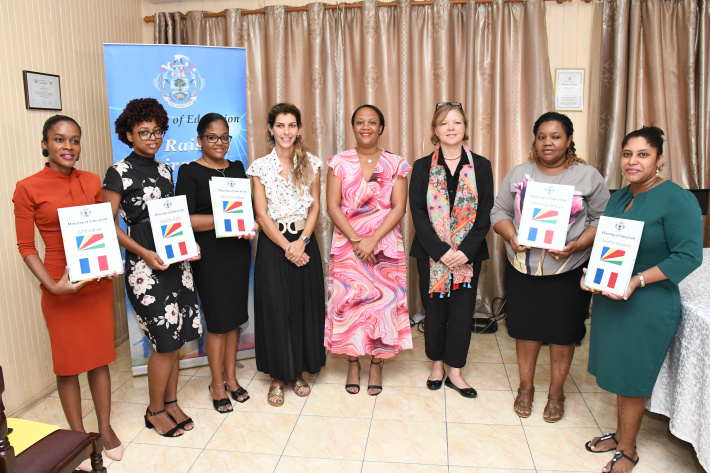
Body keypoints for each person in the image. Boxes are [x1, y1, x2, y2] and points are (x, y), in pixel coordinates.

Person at [583, 127, 702, 473]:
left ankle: (628, 450)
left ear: (660, 159)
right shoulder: (620, 197)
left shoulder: (677, 199)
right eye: (627, 154)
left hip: (648, 301)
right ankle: (621, 435)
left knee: (632, 375)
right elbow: (608, 245)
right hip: (611, 296)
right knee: (617, 370)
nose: (633, 161)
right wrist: (592, 273)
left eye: (643, 154)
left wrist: (637, 280)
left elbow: (689, 256)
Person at [13, 115, 123, 470]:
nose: (68, 147)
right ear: (45, 144)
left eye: (74, 140)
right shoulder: (27, 187)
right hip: (59, 283)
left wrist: (111, 261)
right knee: (68, 364)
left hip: (95, 283)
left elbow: (103, 227)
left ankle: (104, 428)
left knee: (98, 358)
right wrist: (52, 285)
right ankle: (79, 437)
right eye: (59, 140)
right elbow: (26, 245)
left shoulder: (92, 181)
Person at [490, 111, 609, 422]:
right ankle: (526, 388)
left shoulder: (587, 176)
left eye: (555, 136)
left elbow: (602, 220)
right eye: (542, 136)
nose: (548, 143)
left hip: (567, 271)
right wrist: (512, 236)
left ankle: (556, 392)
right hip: (523, 268)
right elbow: (498, 212)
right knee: (524, 331)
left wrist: (578, 245)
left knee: (562, 333)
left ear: (568, 140)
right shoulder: (519, 174)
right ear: (535, 140)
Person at [103, 98, 202, 437]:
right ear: (128, 134)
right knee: (164, 341)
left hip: (176, 262)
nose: (152, 138)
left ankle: (171, 402)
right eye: (143, 132)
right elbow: (108, 224)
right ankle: (154, 410)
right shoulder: (118, 172)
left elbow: (171, 217)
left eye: (157, 131)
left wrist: (189, 243)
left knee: (178, 336)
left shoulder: (165, 170)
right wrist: (143, 252)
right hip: (144, 268)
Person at [325, 104, 412, 396]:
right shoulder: (339, 162)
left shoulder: (396, 163)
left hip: (384, 245)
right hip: (348, 247)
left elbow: (399, 207)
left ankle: (377, 363)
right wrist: (356, 240)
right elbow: (332, 206)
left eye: (372, 122)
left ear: (381, 128)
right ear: (353, 127)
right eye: (360, 122)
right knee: (351, 303)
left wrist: (372, 240)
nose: (366, 127)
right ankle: (353, 361)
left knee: (382, 304)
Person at [409, 102, 493, 398]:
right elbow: (418, 212)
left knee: (461, 313)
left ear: (465, 128)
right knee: (434, 313)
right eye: (444, 123)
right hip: (431, 255)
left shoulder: (481, 166)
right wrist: (441, 251)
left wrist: (464, 251)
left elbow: (485, 212)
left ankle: (455, 371)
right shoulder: (422, 166)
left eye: (457, 122)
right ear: (435, 130)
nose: (451, 128)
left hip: (468, 256)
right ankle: (436, 365)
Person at [246, 103, 325, 407]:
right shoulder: (259, 167)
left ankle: (297, 373)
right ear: (270, 129)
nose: (286, 132)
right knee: (276, 309)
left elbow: (316, 205)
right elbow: (261, 214)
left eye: (292, 125)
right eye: (280, 125)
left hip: (304, 241)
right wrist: (286, 247)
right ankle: (278, 377)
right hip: (273, 243)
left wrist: (302, 241)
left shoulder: (312, 163)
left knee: (304, 307)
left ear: (299, 129)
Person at [175, 113, 254, 413]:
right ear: (199, 140)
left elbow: (243, 209)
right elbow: (184, 219)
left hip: (237, 252)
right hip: (209, 255)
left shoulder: (236, 168)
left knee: (233, 319)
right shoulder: (189, 171)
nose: (219, 143)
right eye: (212, 137)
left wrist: (245, 221)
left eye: (224, 137)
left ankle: (232, 379)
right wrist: (224, 220)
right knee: (218, 322)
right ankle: (216, 384)